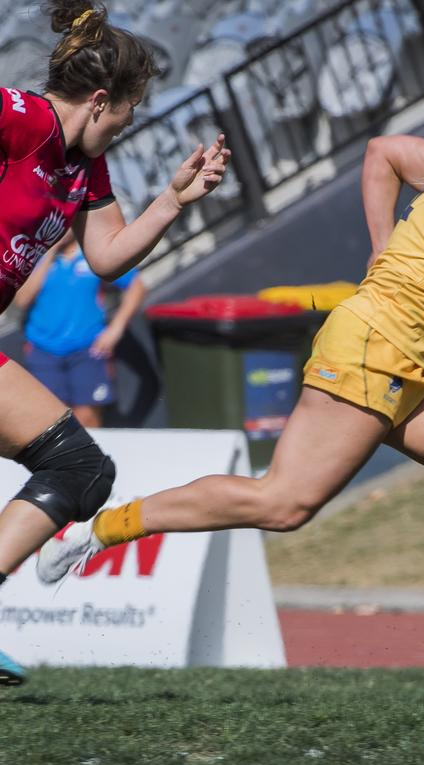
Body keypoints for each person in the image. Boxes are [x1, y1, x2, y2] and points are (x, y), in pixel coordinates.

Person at [39, 83, 424, 697]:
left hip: (404, 364)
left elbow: (383, 152)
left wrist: (382, 245)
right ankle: (99, 530)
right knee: (282, 504)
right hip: (371, 356)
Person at [0, 0, 231, 686]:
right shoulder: (24, 118)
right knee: (78, 469)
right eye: (129, 108)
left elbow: (107, 257)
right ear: (102, 100)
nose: (131, 122)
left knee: (80, 472)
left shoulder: (83, 167)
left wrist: (173, 200)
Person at [15, 228, 147, 428]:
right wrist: (50, 251)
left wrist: (116, 328)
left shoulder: (93, 254)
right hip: (44, 349)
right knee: (51, 421)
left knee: (87, 418)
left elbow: (136, 286)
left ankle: (89, 459)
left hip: (87, 348)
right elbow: (22, 300)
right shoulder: (35, 258)